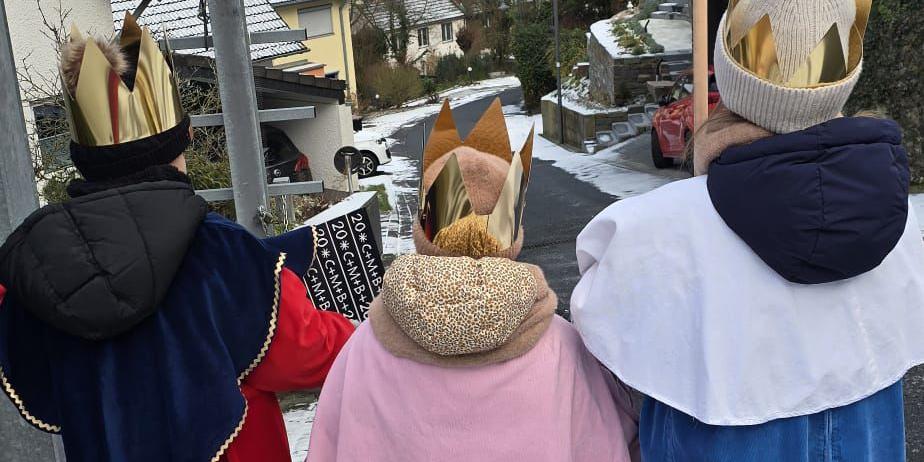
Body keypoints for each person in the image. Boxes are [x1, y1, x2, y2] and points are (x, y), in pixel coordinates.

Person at [572, 1, 924, 460]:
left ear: (730, 73)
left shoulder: (649, 230)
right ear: (845, 79)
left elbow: (602, 325)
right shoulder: (899, 220)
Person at [0, 14, 354, 462]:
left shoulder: (36, 268)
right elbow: (305, 350)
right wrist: (366, 335)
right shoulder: (221, 252)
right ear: (178, 144)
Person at [305, 99, 640, 462]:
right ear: (511, 240)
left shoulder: (366, 347)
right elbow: (607, 446)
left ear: (425, 233)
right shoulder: (562, 346)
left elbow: (327, 448)